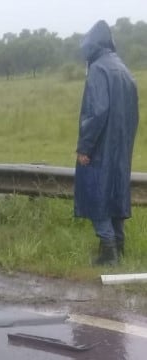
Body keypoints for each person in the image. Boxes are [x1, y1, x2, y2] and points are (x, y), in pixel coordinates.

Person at [74, 20, 139, 266]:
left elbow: (96, 112)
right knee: (115, 194)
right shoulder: (123, 69)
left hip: (100, 146)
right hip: (121, 147)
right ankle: (118, 248)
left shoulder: (99, 70)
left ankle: (109, 251)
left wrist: (85, 147)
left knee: (96, 194)